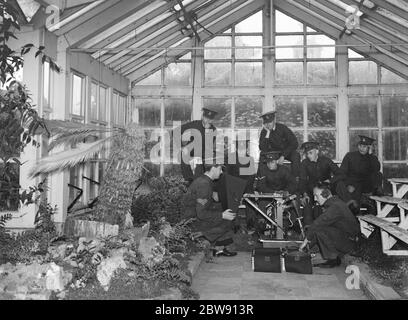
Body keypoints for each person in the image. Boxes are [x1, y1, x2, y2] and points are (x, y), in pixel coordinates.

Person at [182, 157, 238, 257]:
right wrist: (222, 215)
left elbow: (205, 201)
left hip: (192, 215)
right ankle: (199, 234)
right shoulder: (204, 185)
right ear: (213, 168)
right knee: (227, 220)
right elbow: (201, 214)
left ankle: (218, 247)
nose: (221, 172)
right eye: (220, 169)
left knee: (225, 211)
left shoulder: (204, 180)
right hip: (192, 221)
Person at [299, 184, 360, 268]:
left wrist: (305, 242)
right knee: (319, 229)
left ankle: (333, 259)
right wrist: (307, 247)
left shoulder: (335, 206)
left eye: (316, 196)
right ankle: (334, 255)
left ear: (325, 194)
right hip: (346, 238)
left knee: (319, 229)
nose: (315, 199)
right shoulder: (334, 203)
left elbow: (318, 223)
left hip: (350, 243)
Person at [299, 141, 348, 225]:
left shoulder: (326, 161)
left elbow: (341, 174)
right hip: (312, 190)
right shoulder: (304, 163)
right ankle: (308, 228)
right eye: (307, 153)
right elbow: (302, 180)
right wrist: (304, 194)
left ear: (317, 151)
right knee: (307, 203)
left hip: (327, 189)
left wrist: (330, 181)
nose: (308, 155)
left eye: (311, 153)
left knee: (339, 185)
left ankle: (346, 212)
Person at [339, 135, 383, 210]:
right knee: (354, 204)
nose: (361, 148)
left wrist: (370, 155)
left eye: (364, 147)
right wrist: (348, 184)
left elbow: (376, 169)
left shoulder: (372, 158)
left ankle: (372, 200)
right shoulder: (350, 156)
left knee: (378, 174)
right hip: (353, 183)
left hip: (366, 185)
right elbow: (342, 172)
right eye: (360, 145)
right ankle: (356, 210)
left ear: (369, 148)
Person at [178, 108, 218, 185]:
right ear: (202, 117)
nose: (208, 121)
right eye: (206, 118)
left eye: (210, 119)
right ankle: (188, 183)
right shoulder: (194, 124)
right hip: (188, 155)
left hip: (201, 157)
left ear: (212, 120)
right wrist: (182, 147)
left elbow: (208, 149)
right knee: (188, 181)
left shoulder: (213, 130)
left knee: (199, 181)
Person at [259, 110, 301, 180]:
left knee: (295, 155)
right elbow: (262, 148)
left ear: (274, 121)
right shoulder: (264, 132)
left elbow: (294, 143)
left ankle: (294, 179)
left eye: (270, 122)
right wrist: (267, 134)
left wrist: (283, 155)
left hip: (286, 152)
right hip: (273, 154)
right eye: (265, 123)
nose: (268, 125)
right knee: (262, 155)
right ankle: (261, 179)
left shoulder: (282, 128)